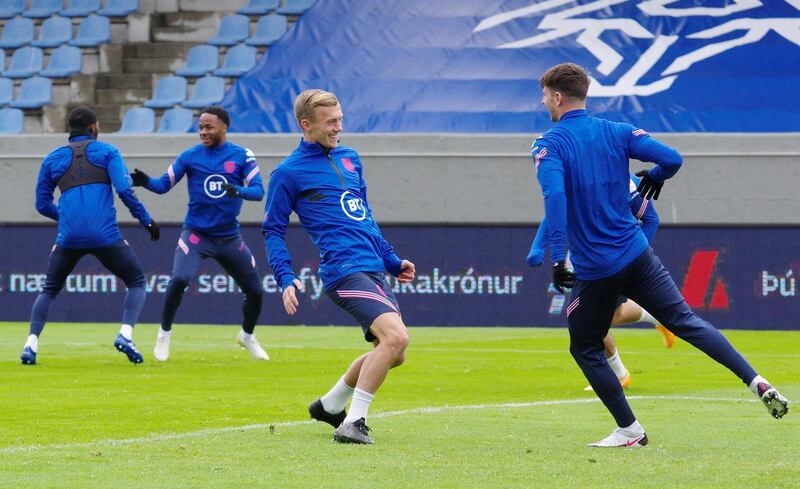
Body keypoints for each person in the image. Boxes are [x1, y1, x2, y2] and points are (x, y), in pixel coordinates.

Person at [532, 63, 789, 448]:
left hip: (597, 268)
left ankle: (630, 430)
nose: (542, 102)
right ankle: (756, 380)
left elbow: (555, 199)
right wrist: (655, 176)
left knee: (585, 345)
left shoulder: (549, 144)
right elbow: (672, 158)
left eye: (544, 95)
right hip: (637, 254)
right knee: (686, 320)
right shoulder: (617, 132)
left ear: (556, 96)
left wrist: (555, 258)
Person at [263, 89, 416, 445]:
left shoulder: (350, 158)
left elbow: (364, 216)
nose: (338, 128)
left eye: (340, 120)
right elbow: (272, 230)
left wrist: (392, 261)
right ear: (307, 125)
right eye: (331, 122)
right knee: (396, 337)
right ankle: (353, 422)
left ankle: (330, 405)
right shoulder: (288, 172)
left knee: (396, 354)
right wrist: (285, 277)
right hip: (343, 270)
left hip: (373, 267)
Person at [21, 106, 159, 366]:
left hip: (68, 238)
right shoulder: (108, 152)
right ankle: (125, 335)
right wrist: (146, 220)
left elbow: (42, 204)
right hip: (105, 236)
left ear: (69, 129)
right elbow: (125, 190)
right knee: (136, 280)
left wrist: (67, 219)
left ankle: (31, 345)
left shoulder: (52, 158)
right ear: (94, 127)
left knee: (49, 289)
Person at [130, 106, 268, 362]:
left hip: (229, 237)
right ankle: (164, 334)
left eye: (209, 127)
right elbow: (163, 186)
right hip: (196, 236)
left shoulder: (242, 155)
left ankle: (247, 336)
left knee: (256, 291)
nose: (203, 131)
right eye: (200, 127)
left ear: (224, 127)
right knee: (180, 278)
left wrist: (237, 190)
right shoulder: (190, 156)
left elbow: (259, 191)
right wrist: (145, 181)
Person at [528, 173, 677, 390]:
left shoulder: (625, 180)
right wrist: (538, 247)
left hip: (612, 260)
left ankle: (620, 374)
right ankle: (655, 323)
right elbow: (554, 212)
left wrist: (633, 254)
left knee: (592, 320)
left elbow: (651, 219)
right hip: (590, 259)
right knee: (605, 317)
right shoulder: (579, 177)